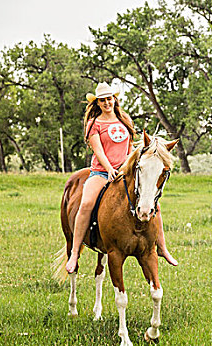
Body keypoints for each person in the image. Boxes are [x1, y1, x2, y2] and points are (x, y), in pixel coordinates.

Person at [65, 82, 177, 274]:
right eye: (103, 100)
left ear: (114, 99)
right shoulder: (94, 124)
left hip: (125, 170)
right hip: (101, 171)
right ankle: (75, 252)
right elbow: (98, 151)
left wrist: (132, 164)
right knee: (86, 203)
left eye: (109, 98)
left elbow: (128, 148)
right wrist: (109, 169)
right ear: (98, 103)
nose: (107, 102)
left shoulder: (124, 120)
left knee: (153, 202)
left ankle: (162, 248)